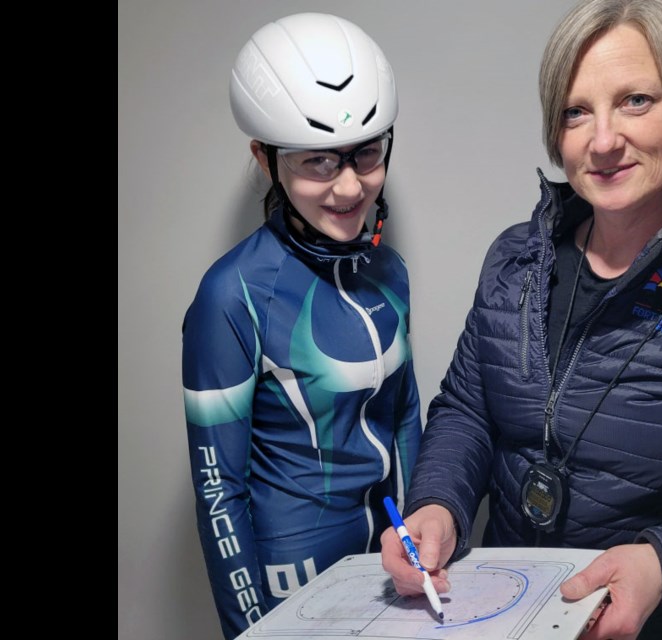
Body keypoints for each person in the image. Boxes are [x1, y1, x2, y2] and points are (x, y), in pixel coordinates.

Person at [380, 1, 662, 638]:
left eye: (636, 101)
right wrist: (438, 504)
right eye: (576, 111)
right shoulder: (517, 257)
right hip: (514, 618)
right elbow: (469, 408)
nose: (601, 141)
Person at [182, 14, 421, 640]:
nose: (349, 187)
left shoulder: (390, 270)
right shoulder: (229, 295)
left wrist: (420, 534)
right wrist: (249, 628)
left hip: (389, 561)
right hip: (292, 574)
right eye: (317, 162)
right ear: (265, 158)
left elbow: (404, 418)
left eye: (366, 154)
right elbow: (218, 492)